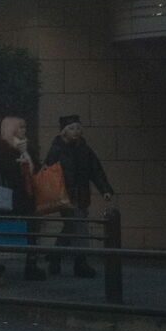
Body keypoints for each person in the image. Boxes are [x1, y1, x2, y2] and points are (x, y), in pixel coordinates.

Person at [41, 114, 115, 278]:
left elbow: (95, 171)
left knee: (70, 228)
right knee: (80, 227)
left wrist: (105, 190)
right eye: (72, 128)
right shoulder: (57, 148)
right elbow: (48, 168)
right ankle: (81, 263)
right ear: (64, 131)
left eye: (78, 128)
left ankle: (55, 255)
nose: (76, 131)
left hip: (81, 195)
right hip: (65, 196)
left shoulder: (85, 149)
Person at [0, 116, 45, 282]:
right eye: (20, 127)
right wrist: (21, 158)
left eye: (24, 127)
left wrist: (25, 155)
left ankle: (31, 265)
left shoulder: (27, 147)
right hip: (9, 196)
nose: (24, 131)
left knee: (31, 231)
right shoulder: (2, 149)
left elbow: (36, 169)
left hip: (26, 195)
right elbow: (4, 170)